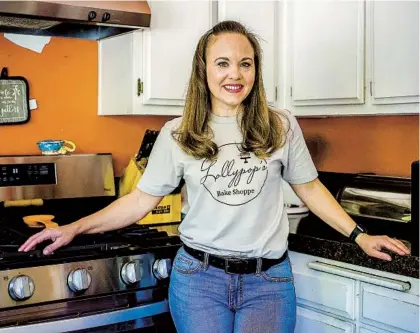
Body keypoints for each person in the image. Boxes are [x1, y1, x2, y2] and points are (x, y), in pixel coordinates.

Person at [19, 20, 410, 333]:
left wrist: (361, 235)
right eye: (222, 62)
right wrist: (75, 227)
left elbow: (309, 188)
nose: (234, 74)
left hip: (268, 282)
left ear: (256, 69)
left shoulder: (281, 126)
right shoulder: (178, 133)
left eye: (245, 62)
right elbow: (139, 201)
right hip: (199, 280)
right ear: (203, 70)